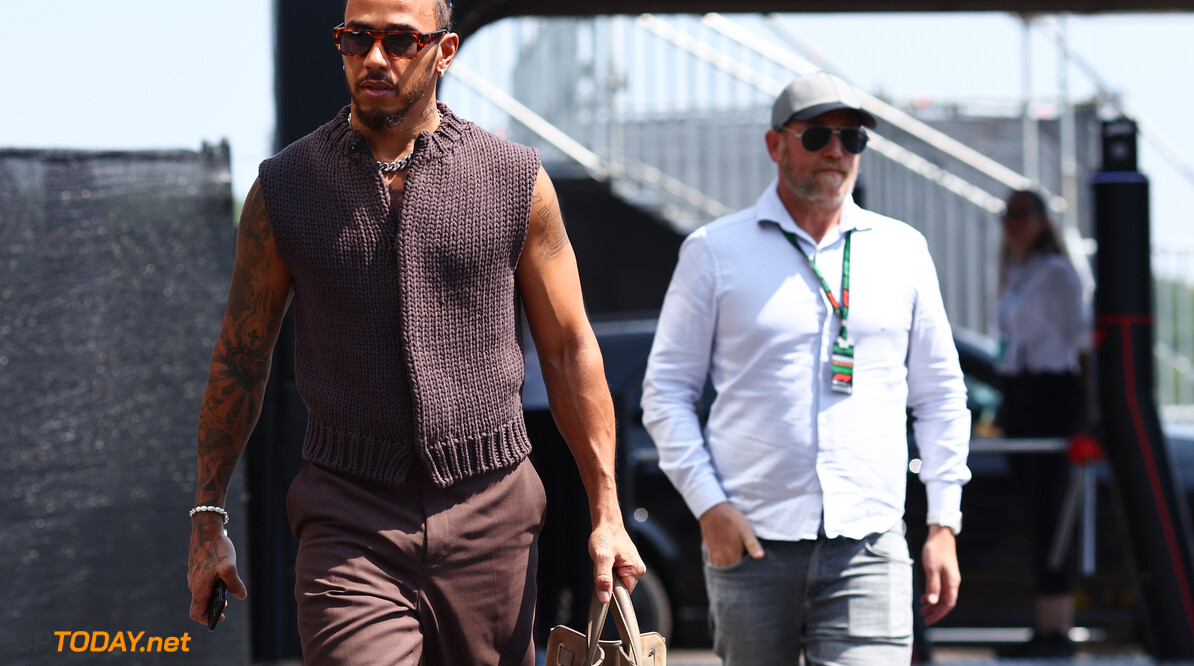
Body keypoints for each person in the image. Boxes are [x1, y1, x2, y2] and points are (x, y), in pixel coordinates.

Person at [184, 0, 645, 663]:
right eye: (356, 38)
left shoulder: (517, 181)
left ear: (446, 50)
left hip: (493, 517)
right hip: (348, 520)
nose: (375, 58)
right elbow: (240, 360)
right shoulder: (284, 190)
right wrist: (207, 516)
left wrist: (607, 511)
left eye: (400, 39)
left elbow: (570, 350)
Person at [640, 71, 972, 665]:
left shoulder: (904, 252)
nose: (837, 152)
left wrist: (943, 523)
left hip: (868, 544)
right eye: (818, 135)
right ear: (776, 145)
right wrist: (710, 508)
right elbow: (666, 393)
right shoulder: (715, 251)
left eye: (853, 138)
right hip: (751, 546)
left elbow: (942, 394)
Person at [993, 189, 1091, 659]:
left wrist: (1091, 414)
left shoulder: (1056, 273)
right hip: (1021, 399)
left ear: (1043, 222)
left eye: (1023, 215)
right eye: (1007, 215)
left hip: (1053, 397)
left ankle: (1059, 626)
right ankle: (1044, 622)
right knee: (1034, 513)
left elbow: (1081, 341)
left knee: (1054, 512)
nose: (1013, 224)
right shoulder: (1016, 274)